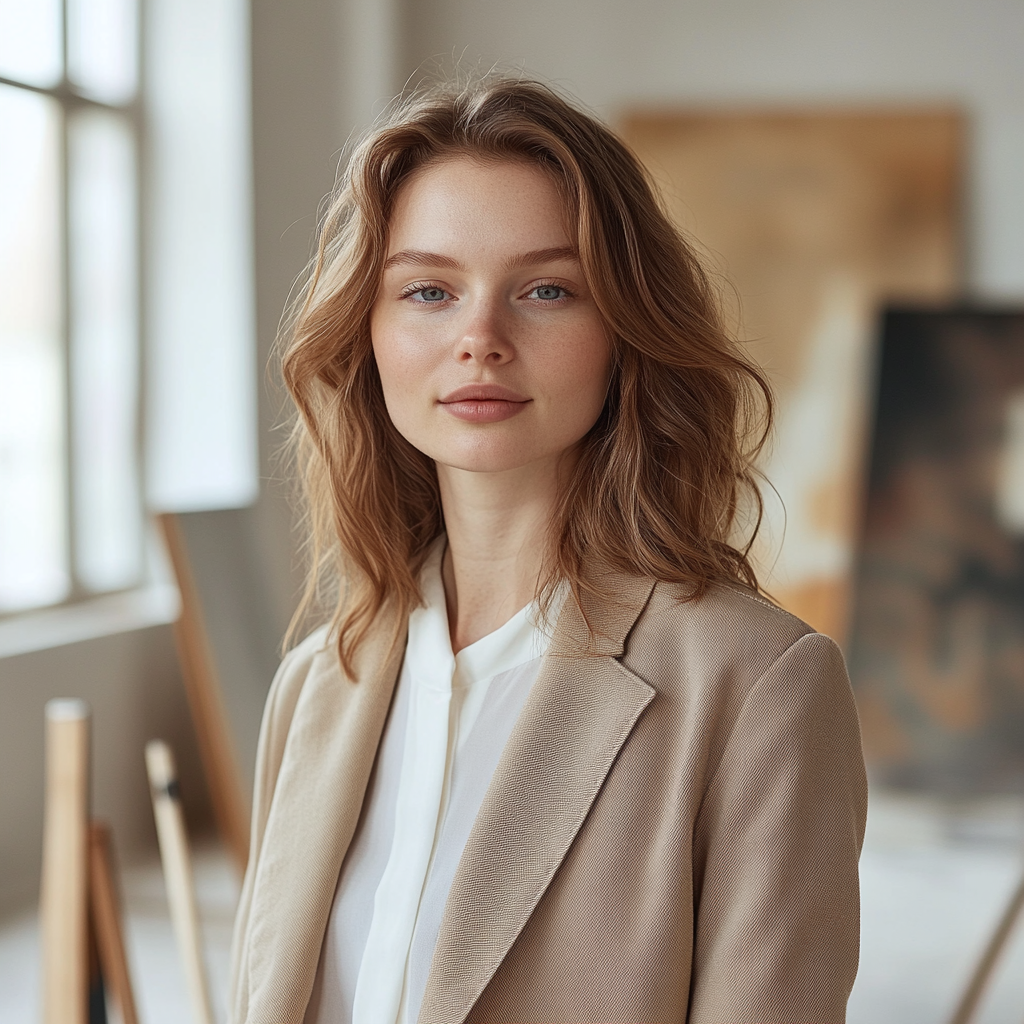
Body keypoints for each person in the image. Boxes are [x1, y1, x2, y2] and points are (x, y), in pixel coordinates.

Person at [228, 76, 867, 1024]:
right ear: (370, 331)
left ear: (624, 332)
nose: (480, 338)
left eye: (546, 290)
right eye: (430, 290)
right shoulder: (321, 684)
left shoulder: (758, 687)